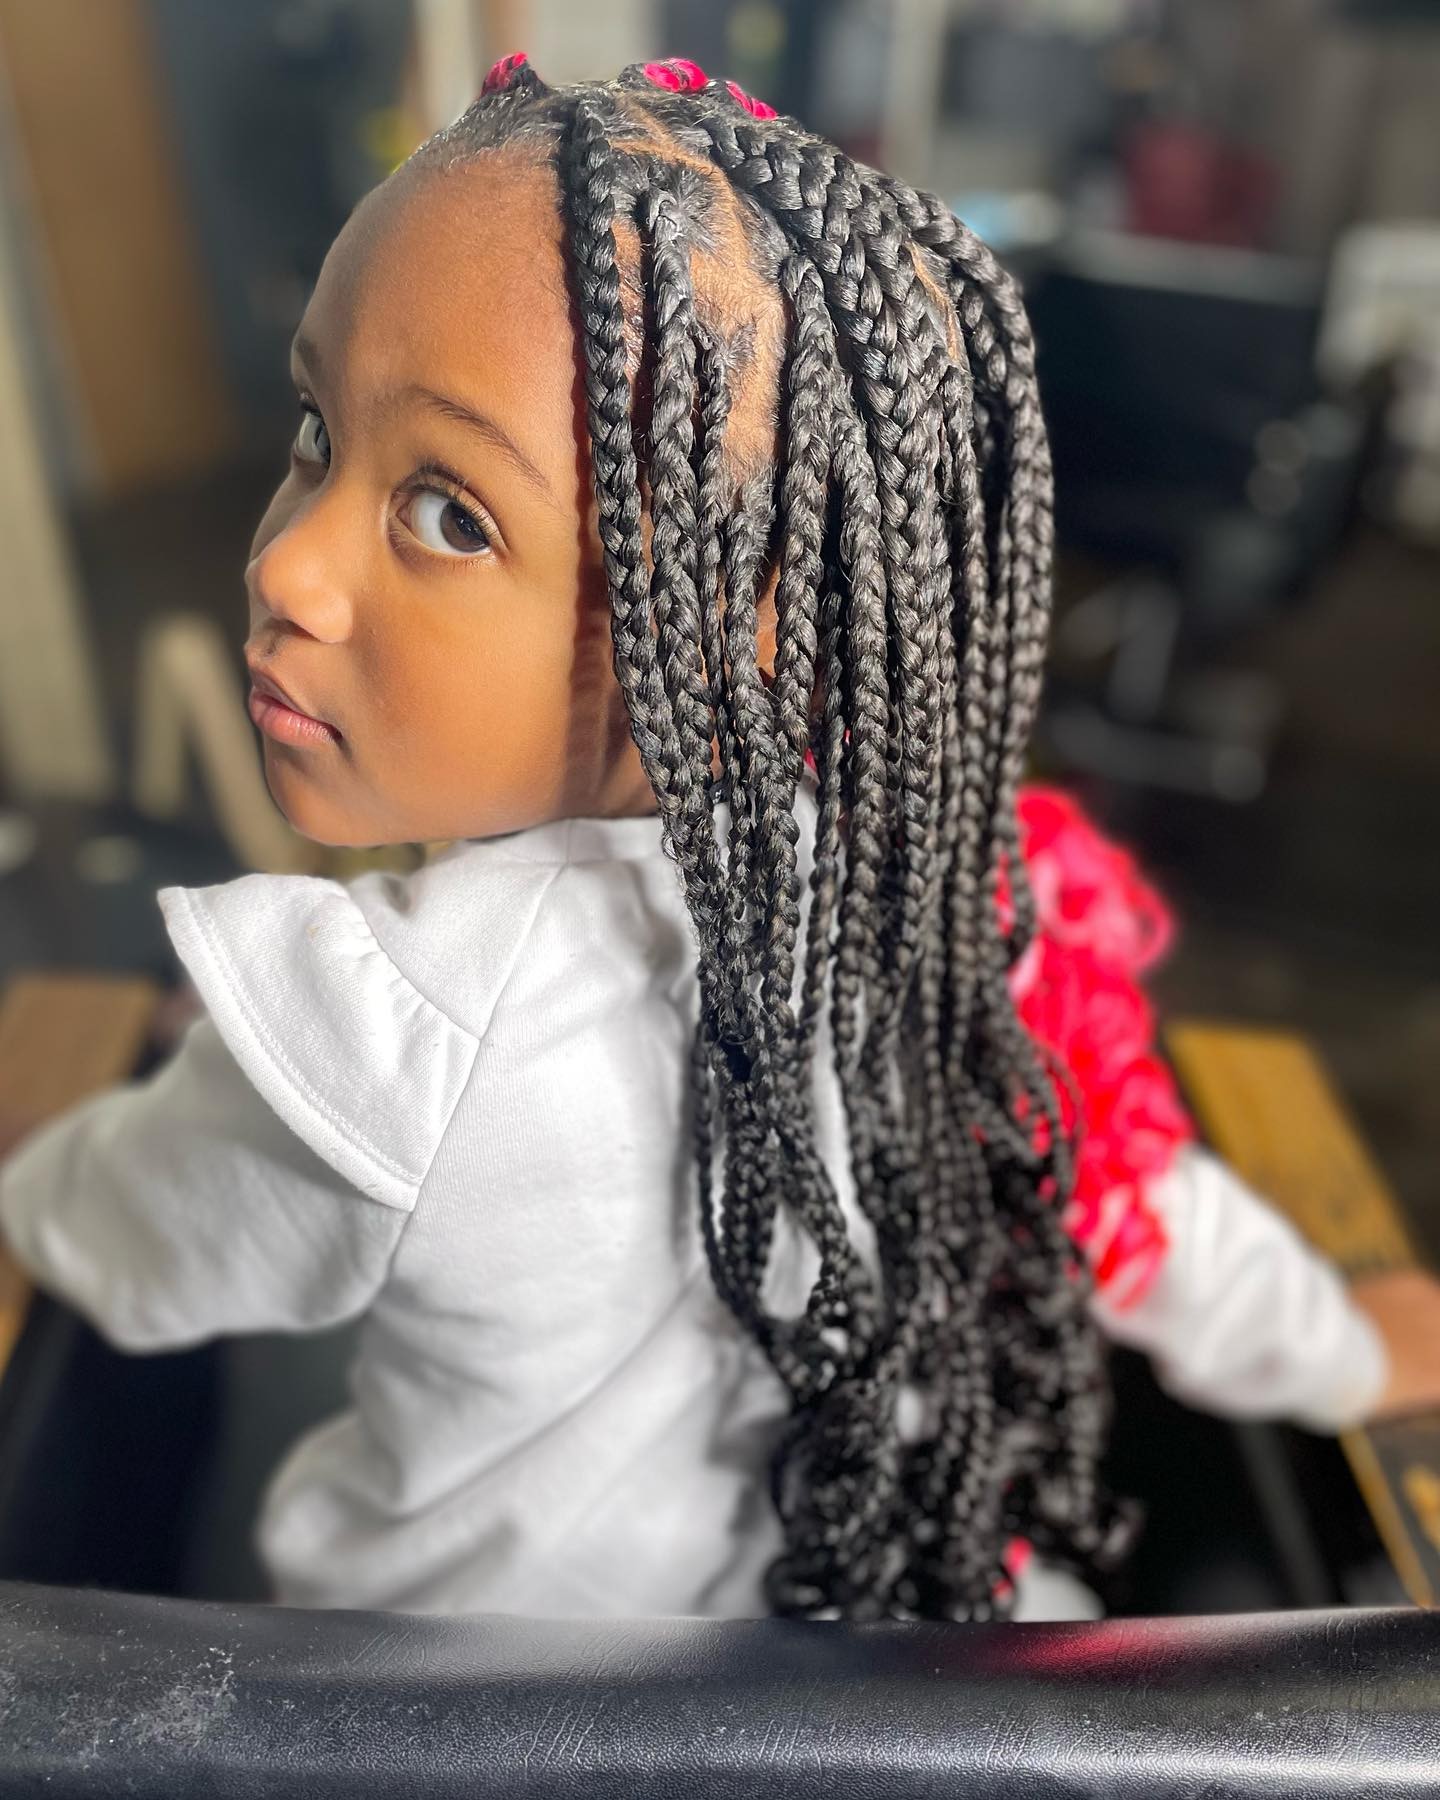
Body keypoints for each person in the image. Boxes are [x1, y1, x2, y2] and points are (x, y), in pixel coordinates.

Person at [2, 56, 1436, 1623]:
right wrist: (1345, 1348)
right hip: (862, 1654)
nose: (289, 565)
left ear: (739, 633)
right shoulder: (945, 911)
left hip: (447, 1714)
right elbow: (1140, 1217)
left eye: (450, 515)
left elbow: (128, 1243)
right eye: (315, 428)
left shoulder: (394, 1028)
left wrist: (48, 1146)